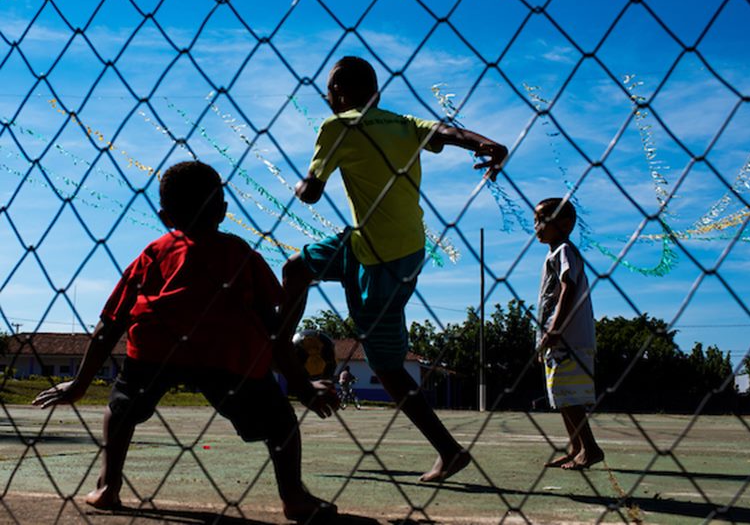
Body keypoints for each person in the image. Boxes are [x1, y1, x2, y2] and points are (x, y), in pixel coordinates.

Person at [33, 161, 338, 522]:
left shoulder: (154, 253)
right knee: (280, 422)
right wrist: (302, 388)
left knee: (119, 408)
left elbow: (108, 326)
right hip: (226, 351)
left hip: (157, 349)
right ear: (223, 211)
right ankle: (294, 497)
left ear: (165, 216)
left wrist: (80, 384)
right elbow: (273, 330)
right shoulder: (240, 253)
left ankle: (107, 487)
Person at [279, 56, 508, 482]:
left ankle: (449, 450)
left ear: (338, 96)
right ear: (378, 95)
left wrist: (300, 183)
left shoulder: (338, 125)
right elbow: (446, 131)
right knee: (296, 268)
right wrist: (487, 144)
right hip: (386, 246)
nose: (330, 100)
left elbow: (310, 194)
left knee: (386, 366)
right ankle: (280, 347)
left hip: (381, 261)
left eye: (330, 93)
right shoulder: (403, 123)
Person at [534, 197, 605, 470]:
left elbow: (568, 288)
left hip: (569, 339)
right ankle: (577, 447)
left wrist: (555, 329)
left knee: (571, 397)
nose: (537, 226)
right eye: (535, 221)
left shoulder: (565, 251)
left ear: (564, 224)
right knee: (562, 396)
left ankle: (590, 447)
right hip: (557, 340)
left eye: (542, 220)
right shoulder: (552, 254)